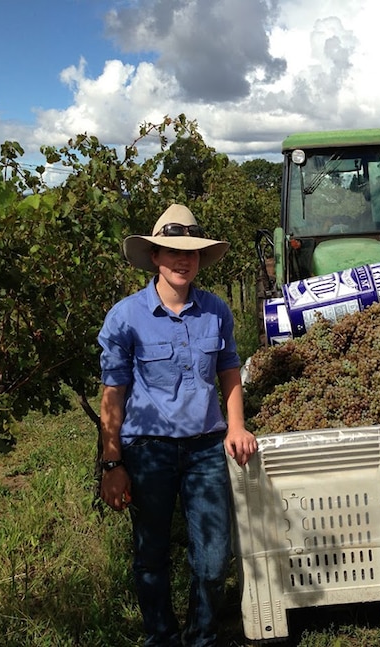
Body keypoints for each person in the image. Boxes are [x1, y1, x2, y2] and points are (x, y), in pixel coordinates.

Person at [98, 204, 258, 647]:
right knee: (151, 556)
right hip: (148, 449)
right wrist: (112, 463)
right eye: (172, 251)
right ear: (154, 256)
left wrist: (236, 426)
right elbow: (113, 394)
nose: (182, 260)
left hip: (206, 448)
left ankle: (202, 636)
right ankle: (161, 637)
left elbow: (229, 369)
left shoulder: (215, 311)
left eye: (191, 252)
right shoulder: (126, 317)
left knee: (211, 558)